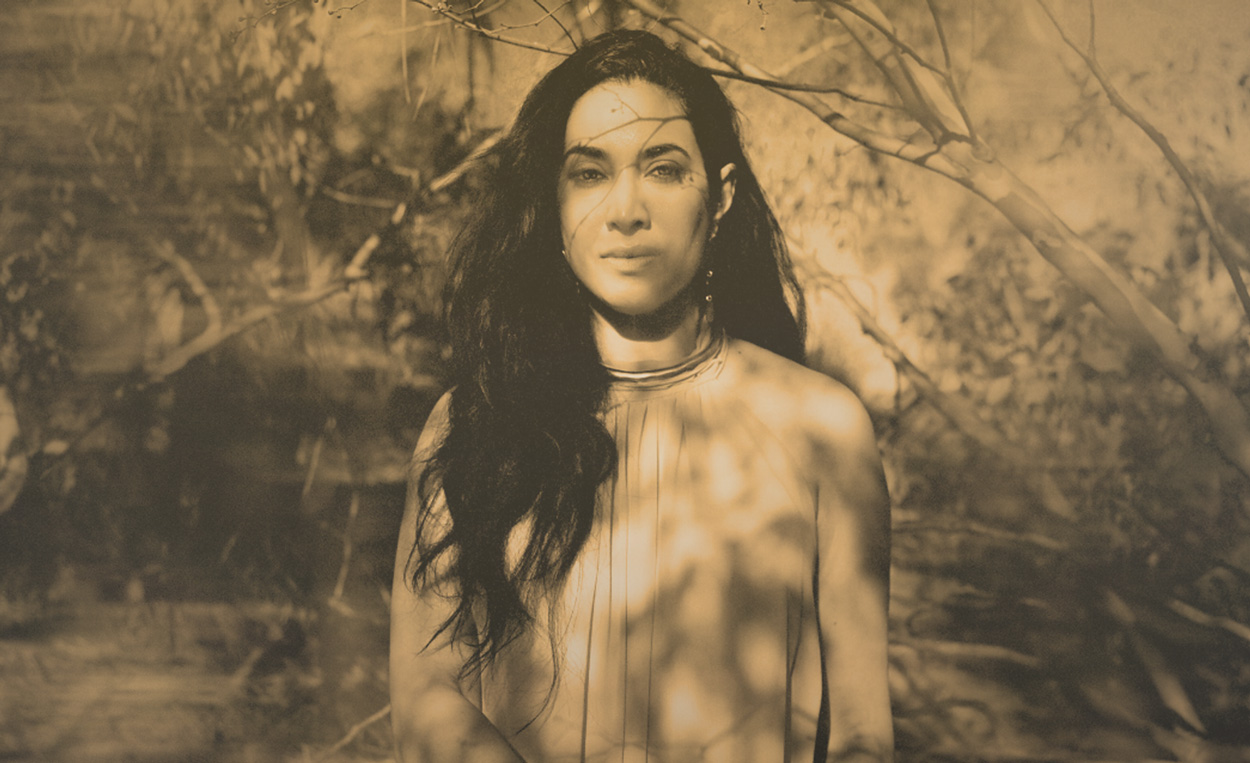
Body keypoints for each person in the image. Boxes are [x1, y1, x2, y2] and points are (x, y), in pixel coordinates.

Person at [390, 29, 892, 763]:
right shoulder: (472, 422)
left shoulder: (823, 429)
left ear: (719, 198)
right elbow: (425, 692)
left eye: (663, 169)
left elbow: (861, 734)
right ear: (554, 207)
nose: (626, 209)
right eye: (589, 173)